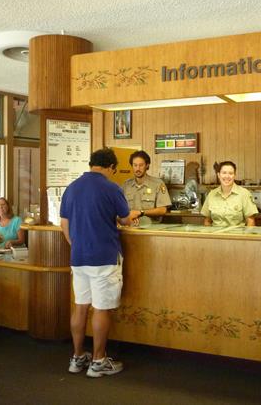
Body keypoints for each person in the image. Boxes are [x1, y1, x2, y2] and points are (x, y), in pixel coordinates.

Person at [60, 148, 138, 378]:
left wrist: (76, 245)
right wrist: (132, 216)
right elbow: (124, 218)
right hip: (104, 257)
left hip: (79, 257)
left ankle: (77, 358)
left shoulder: (72, 187)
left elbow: (64, 224)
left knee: (81, 305)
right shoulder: (111, 187)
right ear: (111, 167)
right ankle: (99, 361)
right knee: (101, 308)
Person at [201, 161, 258, 227]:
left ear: (234, 176)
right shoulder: (211, 194)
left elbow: (250, 221)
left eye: (230, 173)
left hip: (237, 236)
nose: (227, 176)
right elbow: (207, 220)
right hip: (216, 235)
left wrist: (246, 236)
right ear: (219, 175)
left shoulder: (244, 194)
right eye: (224, 173)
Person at [122, 150, 172, 224]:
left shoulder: (158, 184)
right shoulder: (126, 185)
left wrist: (141, 212)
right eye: (135, 165)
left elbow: (163, 210)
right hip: (130, 228)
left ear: (147, 165)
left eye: (141, 165)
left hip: (151, 229)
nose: (138, 169)